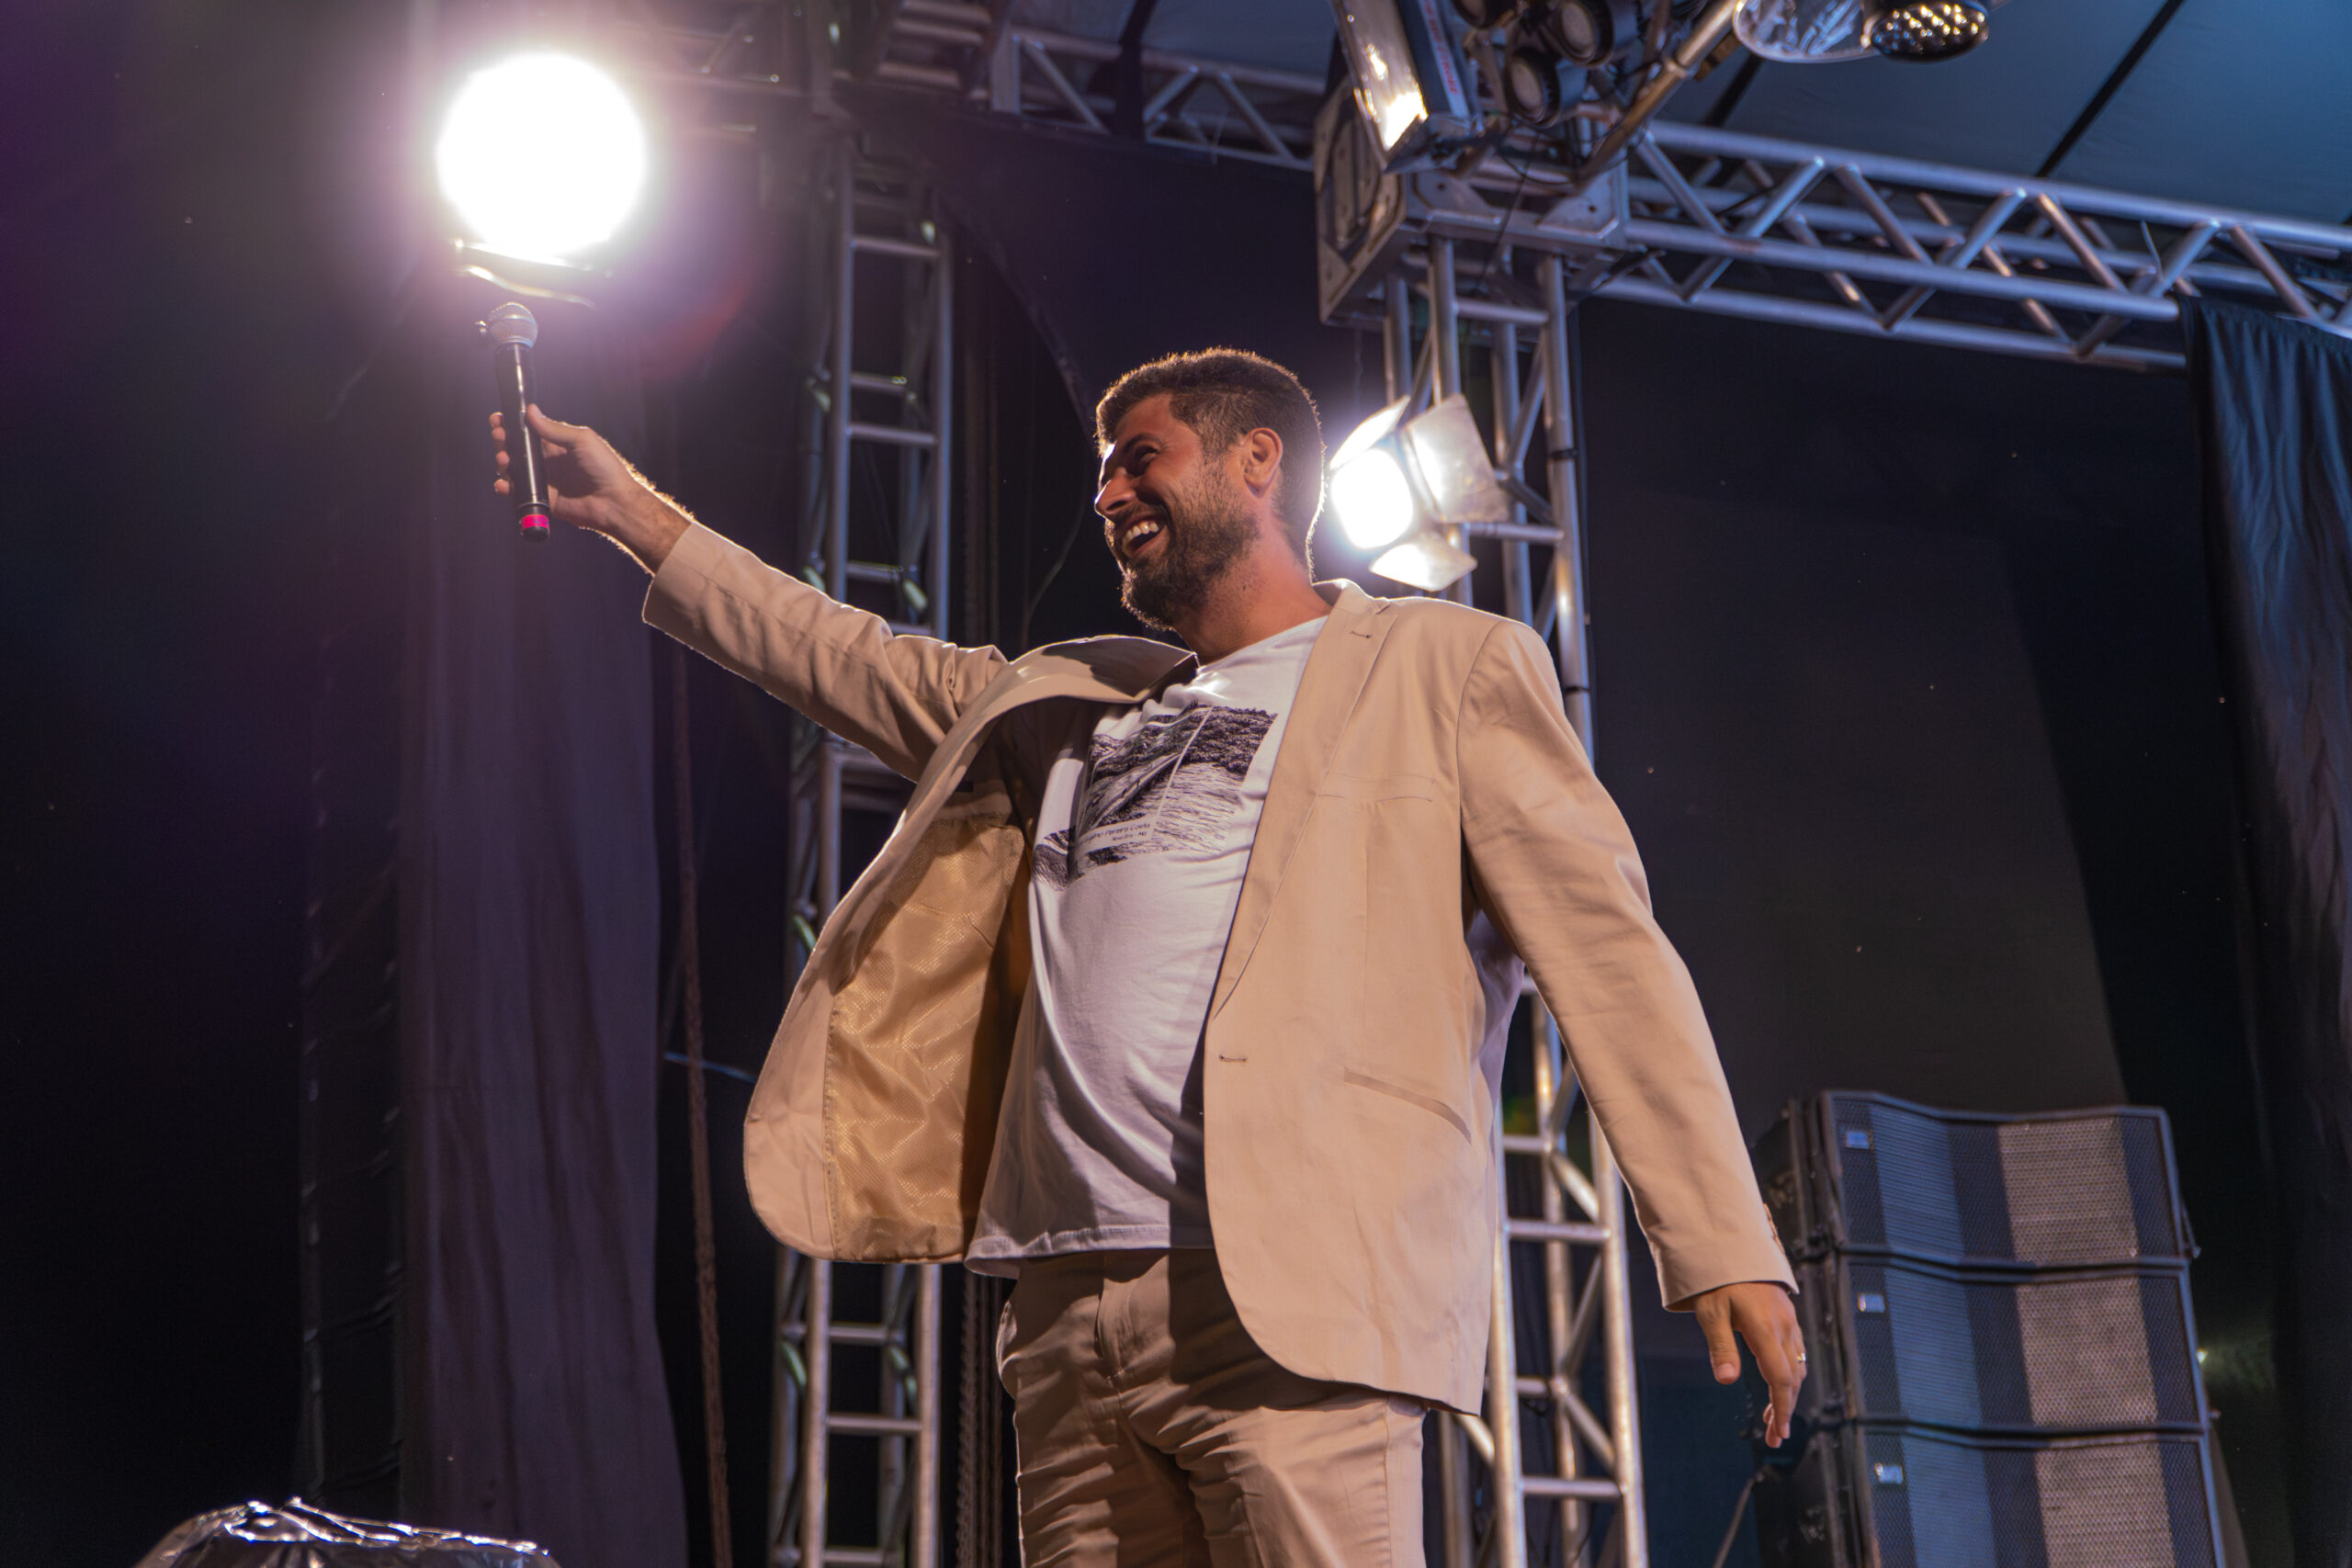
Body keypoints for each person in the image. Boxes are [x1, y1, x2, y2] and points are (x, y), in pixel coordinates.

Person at [492, 347, 1803, 1567]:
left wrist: (1720, 1239)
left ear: (1255, 461)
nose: (1109, 492)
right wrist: (635, 516)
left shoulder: (1441, 667)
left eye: (1140, 456)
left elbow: (1608, 951)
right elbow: (844, 655)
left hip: (1294, 1293)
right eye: (1104, 469)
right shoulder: (1069, 702)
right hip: (1067, 1310)